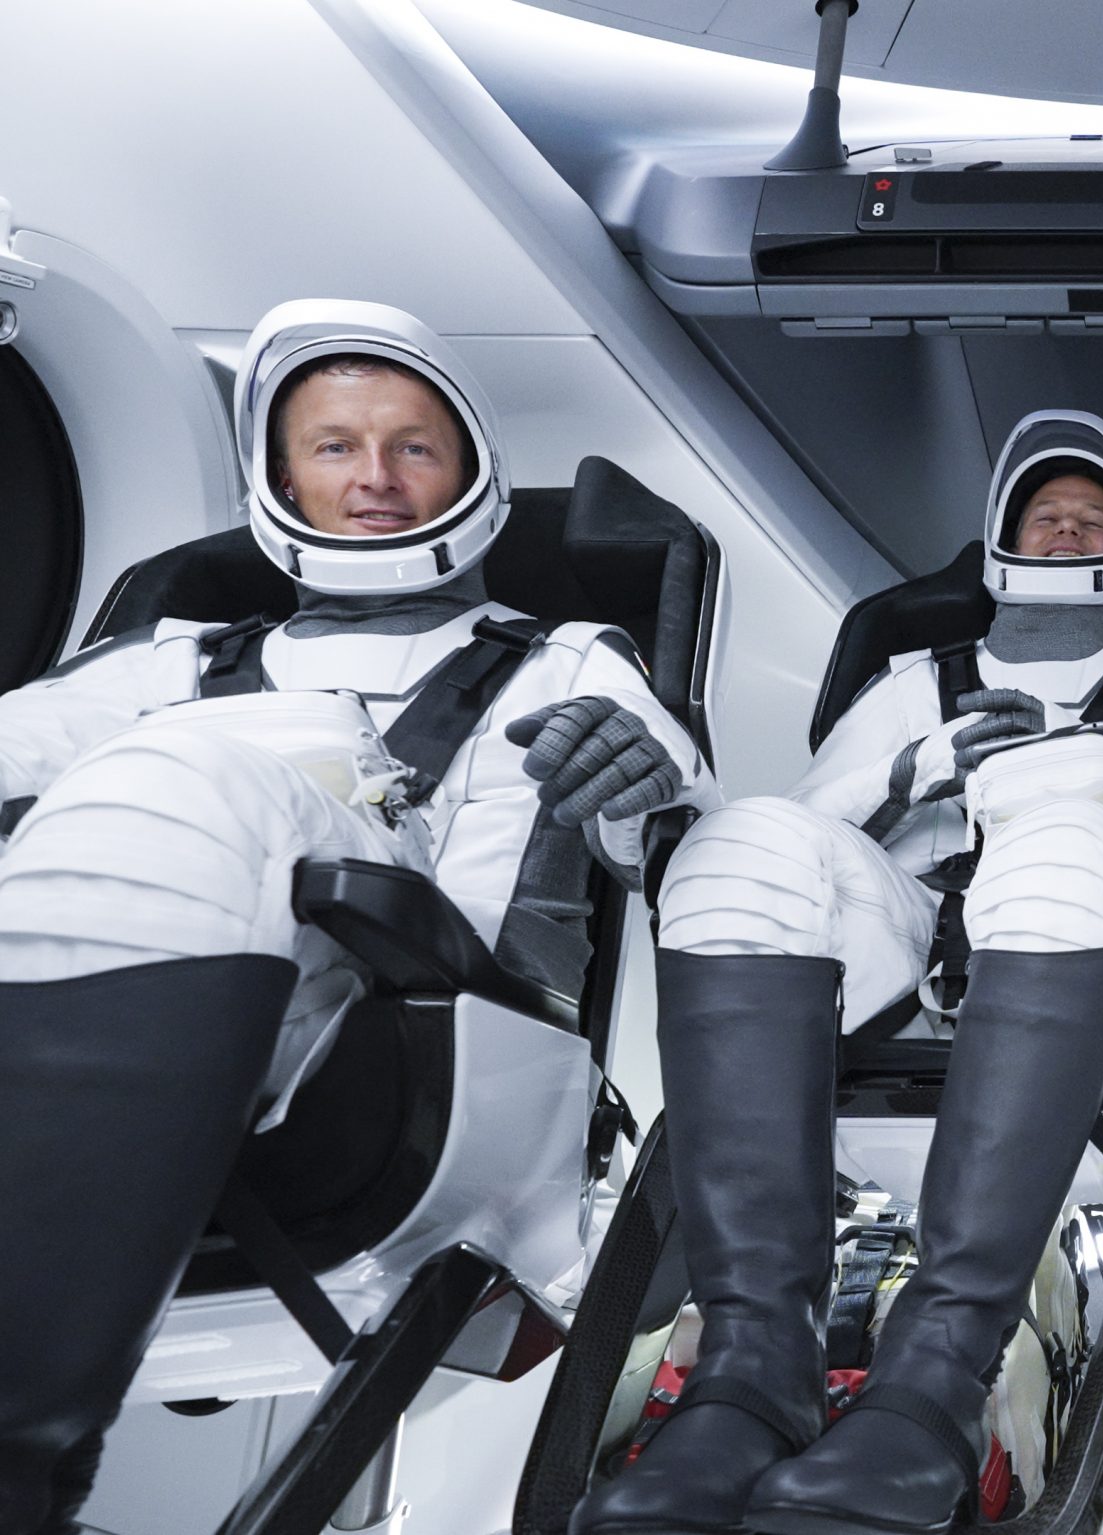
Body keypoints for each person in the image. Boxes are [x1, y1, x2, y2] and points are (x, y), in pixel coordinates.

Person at [0, 299, 707, 1534]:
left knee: (228, 764)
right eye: (333, 446)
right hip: (160, 1032)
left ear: (471, 472)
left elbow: (667, 808)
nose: (374, 478)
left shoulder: (567, 661)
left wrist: (643, 774)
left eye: (412, 446)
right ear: (279, 477)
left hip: (427, 1069)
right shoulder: (158, 665)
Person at [572, 411, 1103, 1535]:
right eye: (1043, 516)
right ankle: (752, 1368)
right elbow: (810, 825)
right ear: (1002, 541)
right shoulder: (915, 677)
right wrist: (920, 766)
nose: (1063, 530)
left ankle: (935, 1384)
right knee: (739, 840)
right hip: (902, 930)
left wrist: (1102, 782)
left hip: (1100, 940)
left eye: (1088, 516)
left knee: (1065, 834)